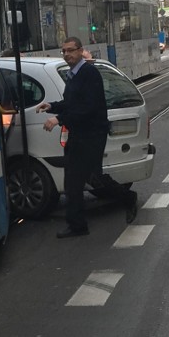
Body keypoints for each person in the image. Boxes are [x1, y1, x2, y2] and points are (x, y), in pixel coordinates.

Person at [36, 36, 138, 238]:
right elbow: (71, 102)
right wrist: (52, 107)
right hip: (80, 135)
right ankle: (123, 200)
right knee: (90, 178)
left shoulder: (88, 73)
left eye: (71, 50)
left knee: (75, 181)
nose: (67, 54)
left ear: (81, 51)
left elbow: (88, 108)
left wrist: (58, 119)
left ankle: (79, 224)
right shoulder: (74, 74)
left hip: (91, 136)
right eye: (64, 51)